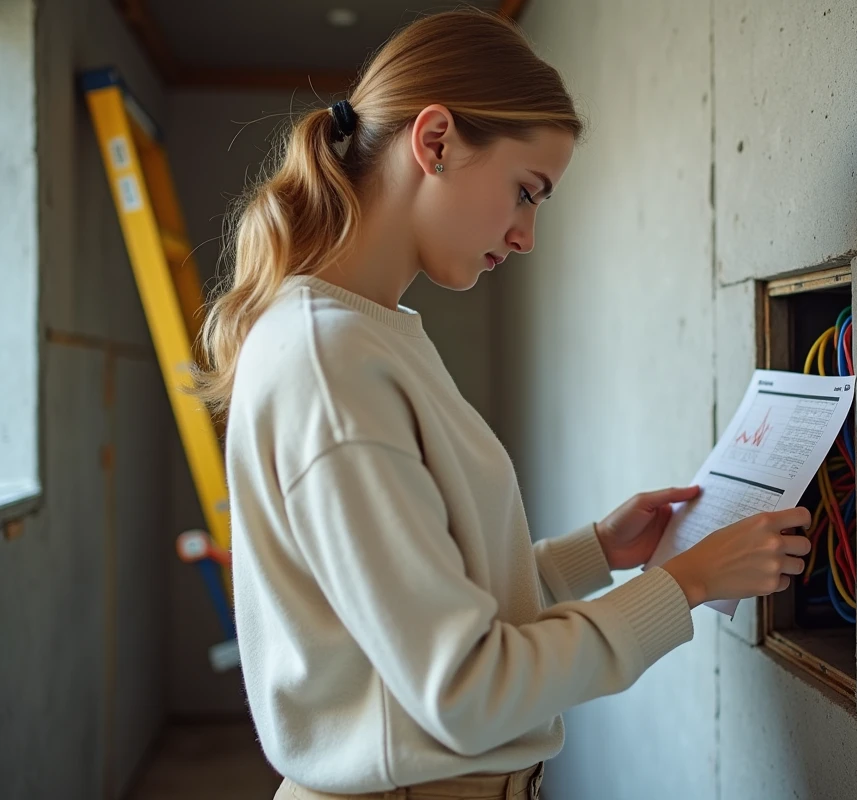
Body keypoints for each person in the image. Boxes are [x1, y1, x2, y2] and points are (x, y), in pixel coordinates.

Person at [194, 10, 812, 800]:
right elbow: (466, 692)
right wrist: (683, 584)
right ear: (437, 140)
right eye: (526, 192)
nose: (526, 236)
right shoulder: (332, 361)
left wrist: (595, 552)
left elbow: (428, 599)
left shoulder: (368, 340)